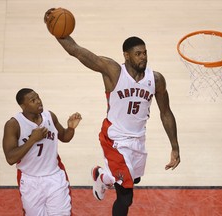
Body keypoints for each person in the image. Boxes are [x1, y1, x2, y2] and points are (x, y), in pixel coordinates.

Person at [44, 9, 180, 216]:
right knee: (126, 196)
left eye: (145, 53)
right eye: (138, 54)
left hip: (138, 139)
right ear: (126, 55)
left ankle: (101, 176)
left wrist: (175, 147)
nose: (143, 57)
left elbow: (166, 113)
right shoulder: (113, 71)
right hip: (114, 138)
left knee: (132, 179)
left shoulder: (157, 79)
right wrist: (56, 31)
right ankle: (107, 177)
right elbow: (77, 51)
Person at [2, 88, 82, 216]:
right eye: (33, 100)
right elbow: (10, 158)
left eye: (38, 97)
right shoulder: (13, 124)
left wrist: (71, 128)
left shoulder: (49, 116)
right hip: (30, 180)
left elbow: (65, 137)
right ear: (23, 106)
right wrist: (32, 140)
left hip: (54, 176)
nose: (38, 101)